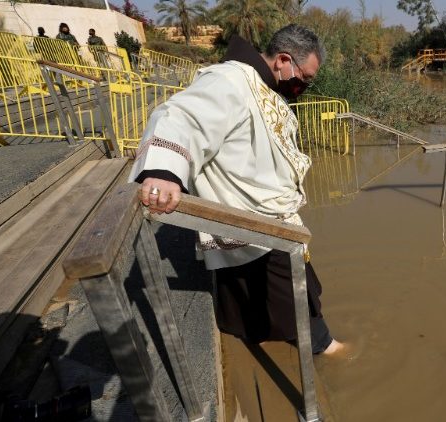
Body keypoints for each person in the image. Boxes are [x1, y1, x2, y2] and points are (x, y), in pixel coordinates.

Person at [129, 24, 346, 356]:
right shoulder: (229, 80)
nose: (303, 86)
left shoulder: (260, 85)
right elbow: (180, 116)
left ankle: (271, 343)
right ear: (284, 61)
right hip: (255, 221)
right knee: (297, 302)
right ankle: (331, 351)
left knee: (280, 294)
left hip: (272, 215)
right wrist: (163, 172)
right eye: (303, 77)